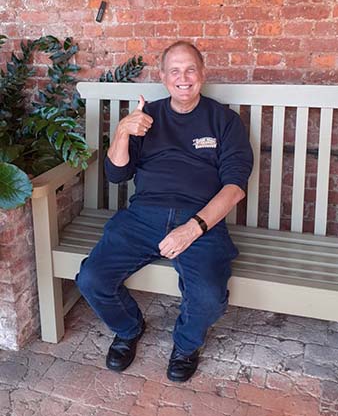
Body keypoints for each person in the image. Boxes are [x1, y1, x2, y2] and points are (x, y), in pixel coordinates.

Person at [76, 41, 253, 382]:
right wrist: (122, 132)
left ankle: (186, 345)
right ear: (162, 77)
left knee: (208, 297)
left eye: (190, 70)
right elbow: (116, 175)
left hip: (200, 220)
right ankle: (129, 329)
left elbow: (234, 188)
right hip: (143, 216)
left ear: (203, 73)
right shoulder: (147, 117)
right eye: (174, 70)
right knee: (92, 278)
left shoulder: (225, 121)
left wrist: (192, 228)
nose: (183, 78)